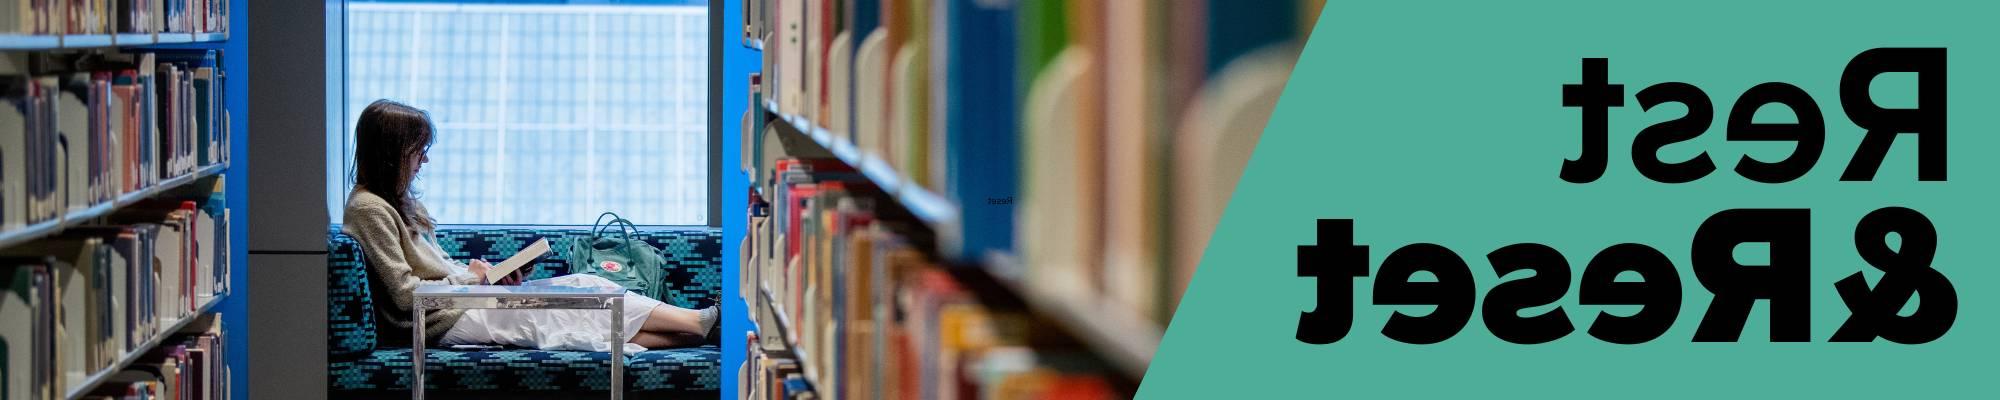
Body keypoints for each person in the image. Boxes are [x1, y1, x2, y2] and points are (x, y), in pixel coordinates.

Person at [342, 99, 718, 351]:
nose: (423, 161)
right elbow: (406, 294)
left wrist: (485, 274)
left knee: (584, 284)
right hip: (438, 320)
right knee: (560, 315)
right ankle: (698, 324)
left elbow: (437, 268)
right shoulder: (368, 209)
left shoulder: (403, 203)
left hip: (459, 302)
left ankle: (695, 327)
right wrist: (474, 279)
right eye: (417, 151)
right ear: (392, 154)